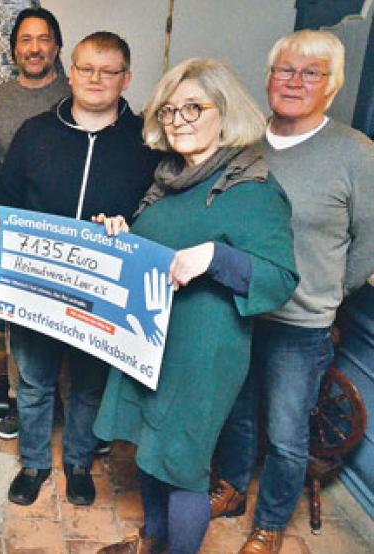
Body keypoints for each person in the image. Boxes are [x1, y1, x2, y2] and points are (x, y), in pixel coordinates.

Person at [93, 58, 298, 554]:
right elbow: (156, 243)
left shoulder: (252, 185)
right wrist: (122, 233)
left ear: (224, 113)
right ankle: (153, 541)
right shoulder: (168, 178)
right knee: (148, 449)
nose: (179, 119)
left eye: (194, 107)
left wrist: (215, 256)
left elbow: (282, 277)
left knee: (183, 464)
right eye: (168, 110)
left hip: (202, 353)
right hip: (148, 339)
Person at [0, 32, 158, 507]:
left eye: (108, 70)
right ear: (70, 71)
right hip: (37, 287)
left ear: (126, 78)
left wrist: (133, 225)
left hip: (103, 293)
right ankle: (34, 463)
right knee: (35, 383)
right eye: (86, 68)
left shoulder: (146, 142)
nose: (96, 79)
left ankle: (78, 461)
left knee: (89, 385)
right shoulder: (35, 131)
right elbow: (3, 197)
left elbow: (159, 215)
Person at [213, 30, 374, 554]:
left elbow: (369, 243)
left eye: (311, 72)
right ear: (268, 77)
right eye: (285, 70)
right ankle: (232, 489)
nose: (294, 81)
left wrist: (327, 296)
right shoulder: (243, 140)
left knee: (285, 433)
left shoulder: (354, 152)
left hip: (301, 325)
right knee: (234, 412)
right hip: (237, 309)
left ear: (333, 85)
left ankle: (270, 523)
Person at [0, 7, 70, 441]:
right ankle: (19, 401)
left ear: (57, 46)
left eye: (43, 39)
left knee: (76, 322)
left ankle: (72, 407)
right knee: (20, 326)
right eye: (25, 40)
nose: (34, 48)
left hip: (73, 235)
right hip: (15, 236)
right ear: (14, 49)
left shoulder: (77, 92)